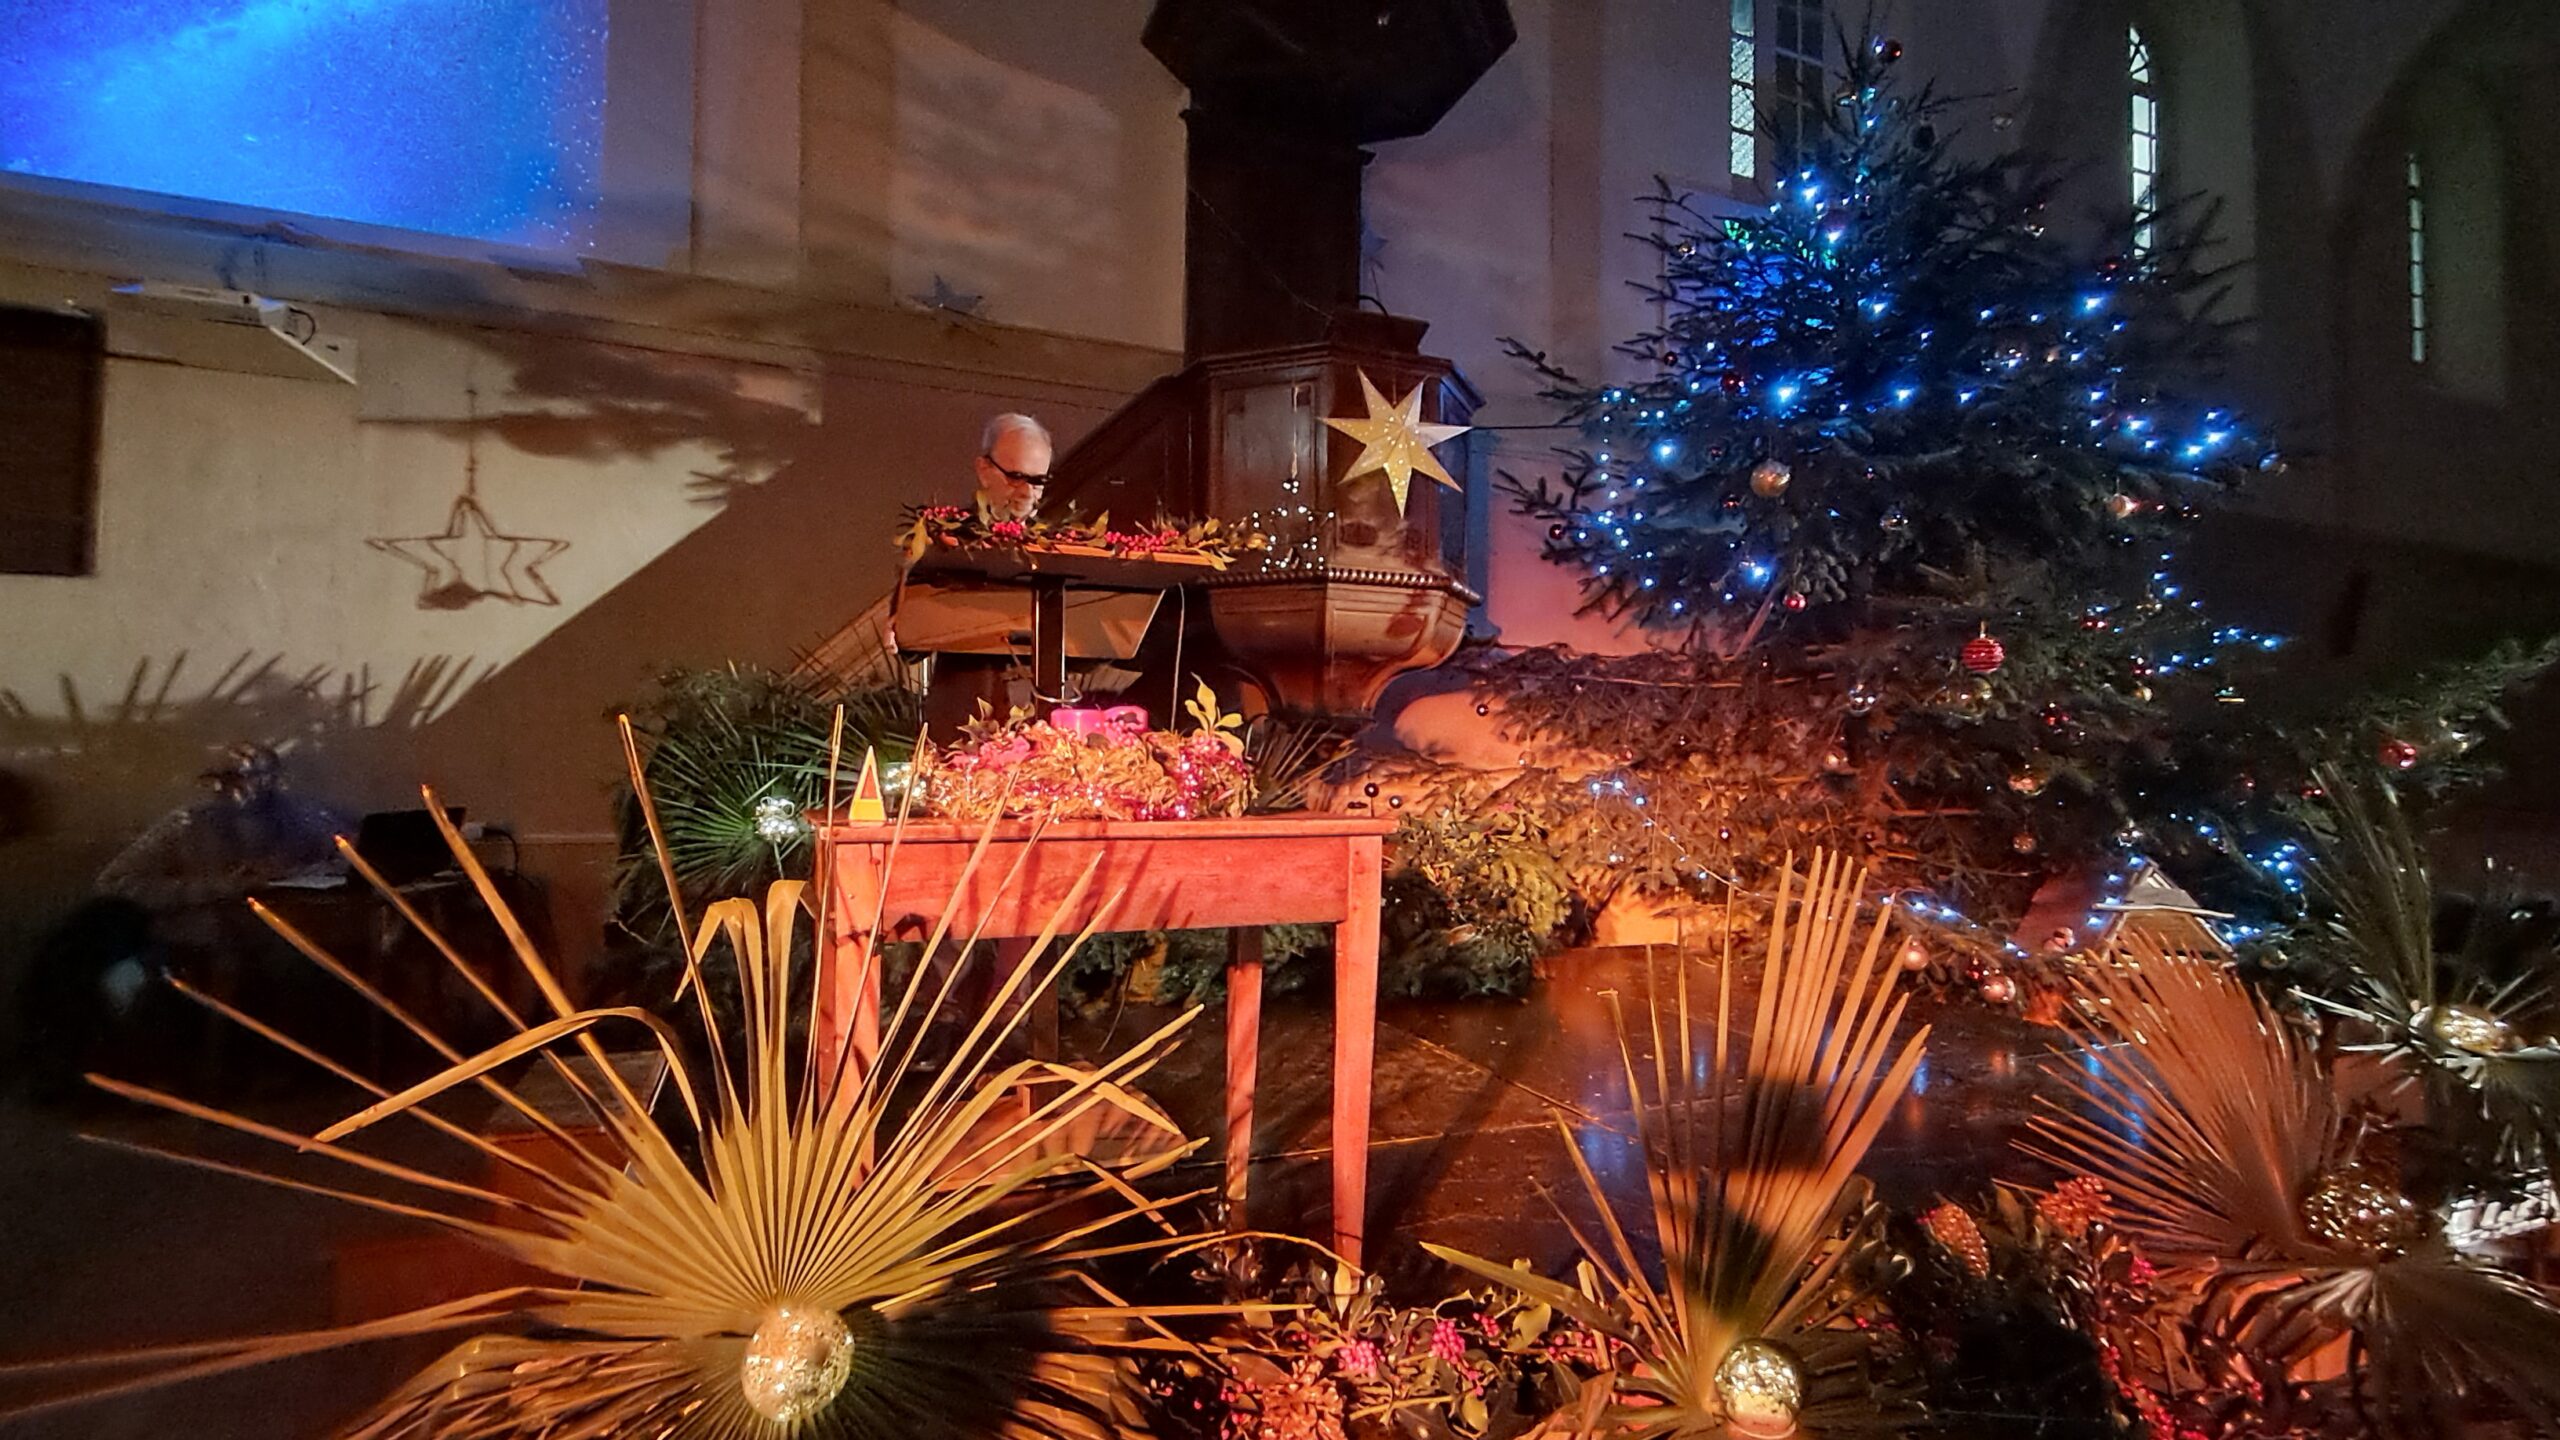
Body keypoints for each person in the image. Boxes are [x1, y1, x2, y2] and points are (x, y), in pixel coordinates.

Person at [973, 412, 1053, 522]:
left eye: (1038, 481)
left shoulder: (1060, 533)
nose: (1027, 493)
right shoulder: (950, 530)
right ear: (984, 471)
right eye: (1016, 478)